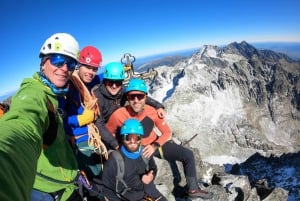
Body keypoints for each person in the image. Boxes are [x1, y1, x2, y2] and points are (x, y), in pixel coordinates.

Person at [0, 33, 81, 201]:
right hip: (49, 190)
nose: (64, 68)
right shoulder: (34, 93)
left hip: (63, 181)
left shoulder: (53, 94)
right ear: (43, 63)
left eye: (70, 64)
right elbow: (23, 124)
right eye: (58, 60)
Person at [105, 78, 214, 199]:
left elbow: (167, 132)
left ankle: (193, 190)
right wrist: (118, 146)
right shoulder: (118, 114)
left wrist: (155, 146)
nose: (136, 100)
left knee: (187, 154)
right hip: (134, 150)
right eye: (132, 97)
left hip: (154, 145)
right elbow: (108, 133)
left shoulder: (152, 111)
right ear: (128, 98)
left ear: (146, 98)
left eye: (140, 96)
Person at [92, 62, 166, 151]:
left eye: (118, 82)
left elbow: (139, 96)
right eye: (111, 82)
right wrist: (115, 144)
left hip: (119, 126)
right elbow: (98, 124)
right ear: (105, 81)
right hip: (105, 132)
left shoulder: (122, 90)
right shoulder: (97, 97)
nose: (114, 86)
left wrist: (158, 106)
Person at [64, 45, 105, 199]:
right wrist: (81, 119)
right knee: (97, 178)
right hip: (79, 141)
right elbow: (58, 121)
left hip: (91, 135)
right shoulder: (69, 86)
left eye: (94, 68)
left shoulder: (85, 82)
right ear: (79, 65)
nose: (91, 72)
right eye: (87, 67)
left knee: (102, 173)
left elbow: (99, 77)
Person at [102, 118, 166, 201]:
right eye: (128, 137)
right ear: (123, 138)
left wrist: (151, 176)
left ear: (141, 138)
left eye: (136, 137)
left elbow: (153, 169)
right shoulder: (114, 160)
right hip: (128, 198)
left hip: (149, 191)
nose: (132, 141)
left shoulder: (145, 152)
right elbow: (107, 190)